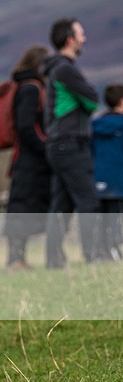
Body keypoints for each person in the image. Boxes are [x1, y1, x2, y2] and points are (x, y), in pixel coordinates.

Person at [42, 18, 100, 268]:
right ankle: (93, 255)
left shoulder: (56, 69)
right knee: (88, 200)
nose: (84, 38)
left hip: (58, 145)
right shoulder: (66, 69)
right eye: (81, 34)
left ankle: (53, 260)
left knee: (62, 204)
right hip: (70, 143)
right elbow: (92, 100)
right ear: (70, 40)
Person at [3, 45, 52, 270]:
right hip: (30, 161)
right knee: (23, 209)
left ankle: (18, 258)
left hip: (27, 159)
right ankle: (16, 259)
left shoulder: (24, 86)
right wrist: (44, 148)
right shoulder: (31, 89)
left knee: (23, 208)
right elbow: (26, 125)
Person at [92, 83, 123, 261]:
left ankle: (101, 252)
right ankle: (113, 251)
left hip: (97, 180)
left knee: (101, 220)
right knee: (116, 219)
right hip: (119, 182)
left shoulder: (94, 125)